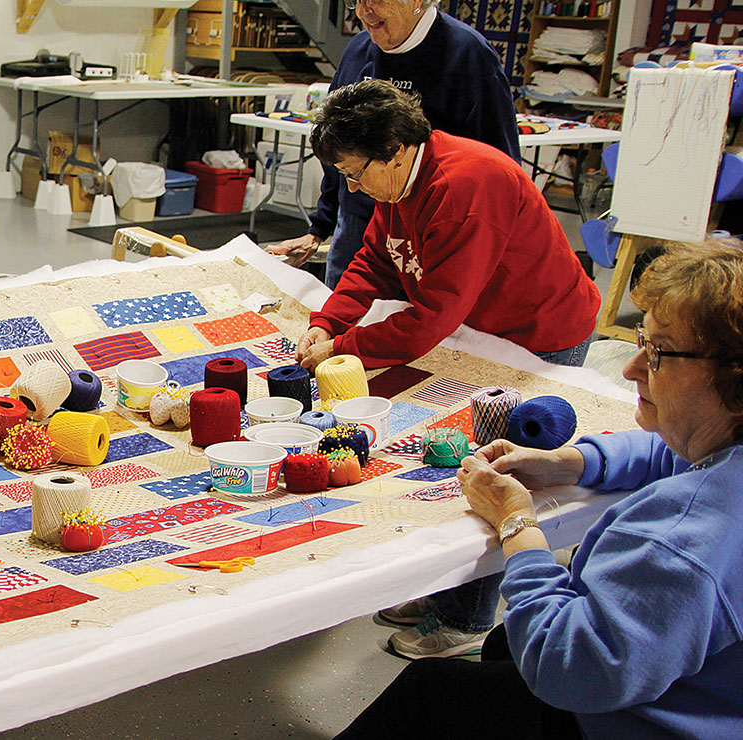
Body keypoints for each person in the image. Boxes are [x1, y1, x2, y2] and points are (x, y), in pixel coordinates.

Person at [337, 239, 743, 738]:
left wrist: (518, 525)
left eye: (658, 353)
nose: (632, 368)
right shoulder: (725, 447)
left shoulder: (683, 541)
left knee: (430, 690)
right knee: (504, 645)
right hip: (712, 694)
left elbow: (569, 672)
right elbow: (673, 453)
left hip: (643, 722)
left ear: (732, 380)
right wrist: (565, 463)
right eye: (641, 341)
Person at [295, 79, 599, 660]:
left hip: (540, 334)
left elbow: (433, 316)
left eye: (356, 174)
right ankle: (446, 593)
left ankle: (469, 618)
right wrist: (329, 321)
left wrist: (348, 348)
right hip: (485, 332)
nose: (352, 186)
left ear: (397, 152)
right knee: (451, 457)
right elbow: (377, 258)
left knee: (493, 467)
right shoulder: (400, 183)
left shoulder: (466, 186)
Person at [264, 0, 519, 288]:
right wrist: (319, 227)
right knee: (341, 321)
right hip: (358, 227)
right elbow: (338, 150)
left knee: (420, 324)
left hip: (430, 234)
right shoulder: (359, 51)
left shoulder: (468, 55)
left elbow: (501, 169)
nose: (363, 10)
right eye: (356, 0)